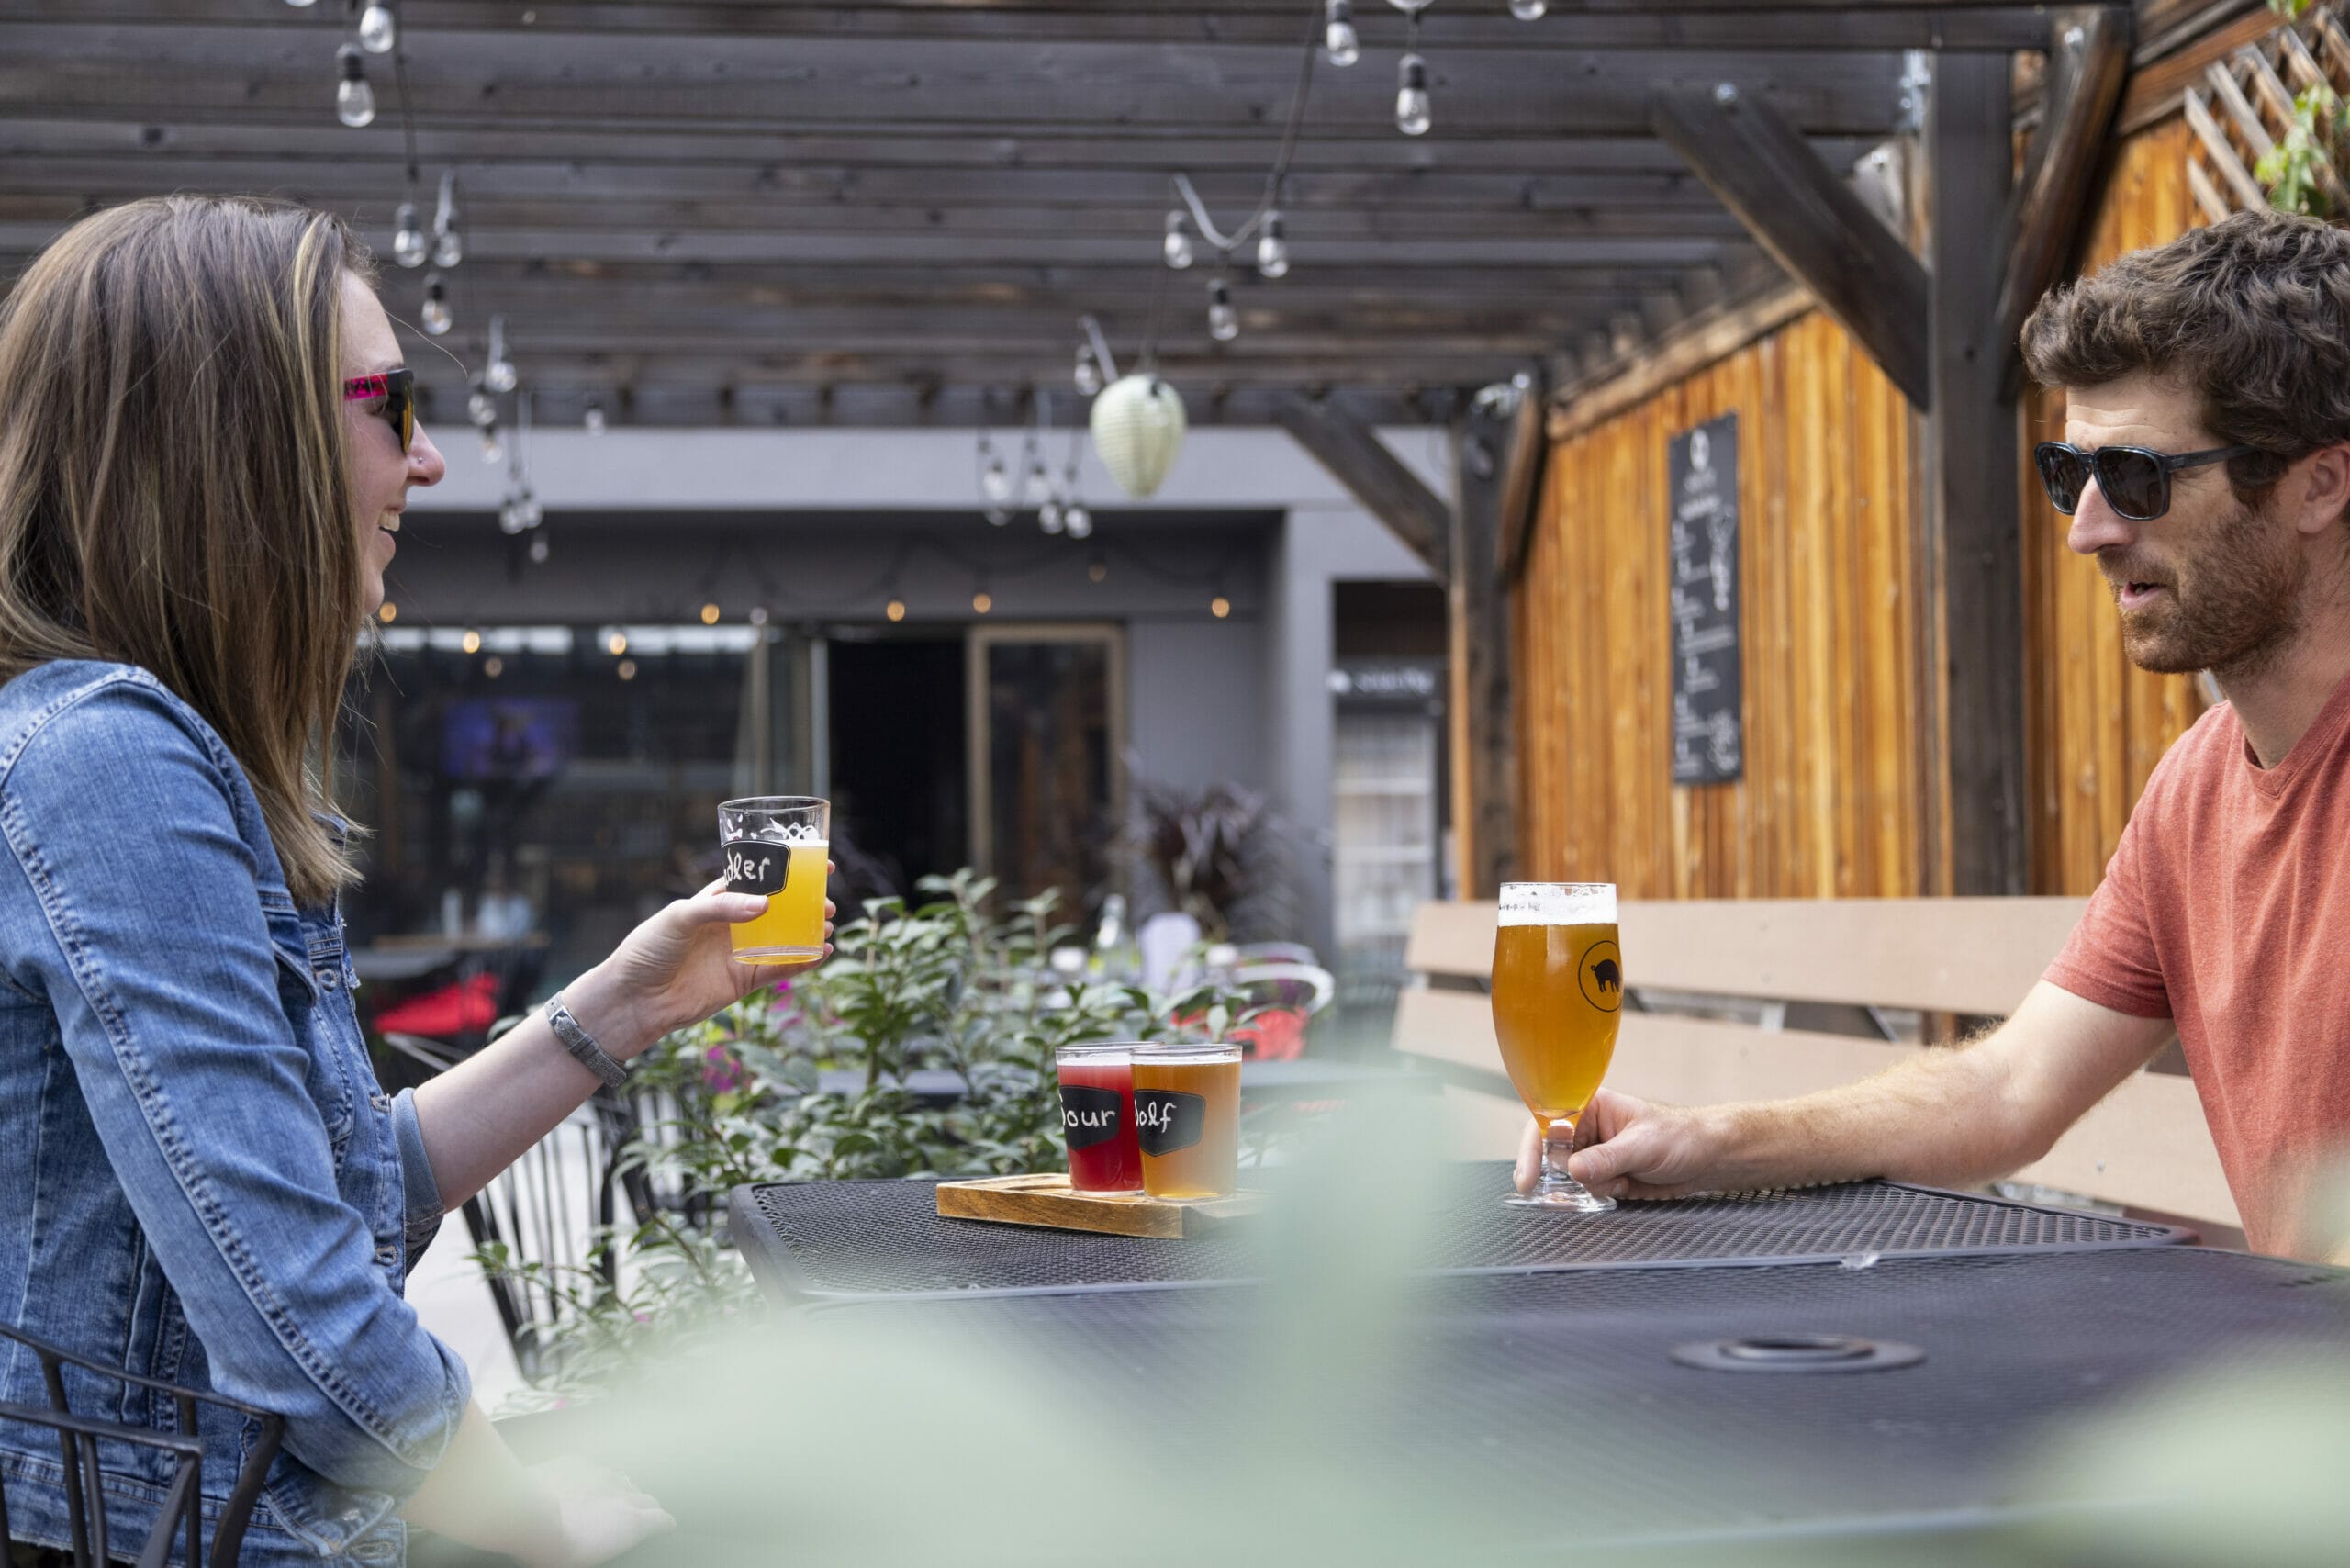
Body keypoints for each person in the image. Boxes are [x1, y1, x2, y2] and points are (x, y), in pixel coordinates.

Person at [0, 195, 827, 1565]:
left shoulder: (135, 751)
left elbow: (328, 1194)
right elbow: (293, 1308)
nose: (429, 458)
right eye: (390, 402)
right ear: (237, 439)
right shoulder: (108, 761)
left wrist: (622, 1007)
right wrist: (540, 1523)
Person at [1516, 209, 2350, 1262]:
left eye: (2138, 476)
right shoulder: (2195, 791)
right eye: (2071, 476)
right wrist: (1706, 1140)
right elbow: (2008, 1086)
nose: (2087, 529)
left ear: (2319, 483)